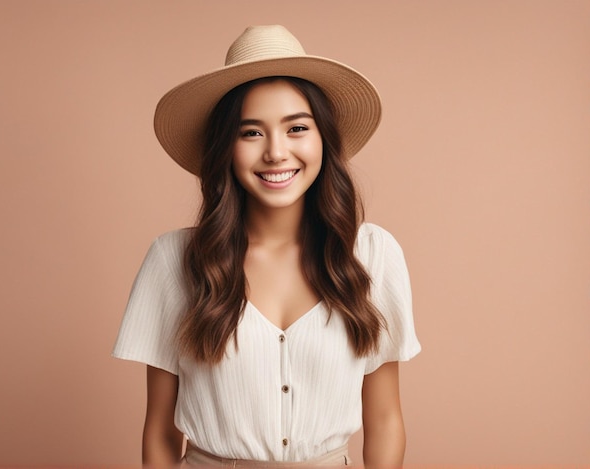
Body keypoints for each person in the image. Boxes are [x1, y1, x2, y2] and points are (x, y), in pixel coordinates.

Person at [113, 25, 421, 468]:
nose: (276, 152)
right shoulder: (173, 262)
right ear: (226, 148)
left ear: (323, 140)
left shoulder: (373, 256)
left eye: (296, 127)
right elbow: (160, 432)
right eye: (251, 133)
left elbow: (387, 419)